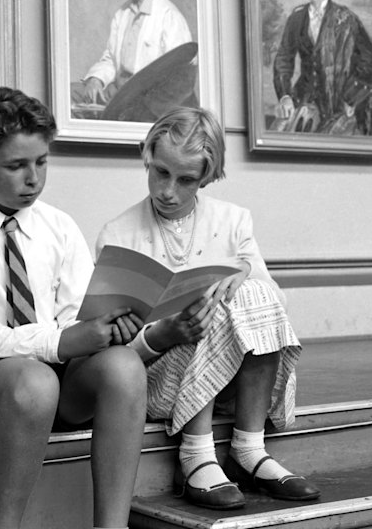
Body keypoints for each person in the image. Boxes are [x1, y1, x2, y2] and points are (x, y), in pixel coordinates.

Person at [0, 86, 147, 529]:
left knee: (123, 366)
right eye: (16, 166)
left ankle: (112, 526)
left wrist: (105, 328)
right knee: (35, 380)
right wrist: (61, 341)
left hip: (59, 367)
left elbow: (76, 311)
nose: (34, 178)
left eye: (42, 162)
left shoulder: (59, 226)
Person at [96, 106, 320, 510]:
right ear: (147, 157)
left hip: (230, 377)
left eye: (186, 180)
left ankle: (249, 447)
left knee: (251, 292)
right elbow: (113, 351)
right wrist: (161, 331)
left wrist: (245, 272)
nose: (168, 190)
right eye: (160, 172)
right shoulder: (119, 234)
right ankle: (196, 453)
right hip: (155, 380)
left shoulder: (233, 220)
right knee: (201, 308)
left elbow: (274, 307)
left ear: (207, 177)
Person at [272, 0, 372, 135]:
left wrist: (350, 98)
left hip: (336, 106)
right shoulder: (296, 19)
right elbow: (283, 59)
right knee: (278, 134)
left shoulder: (346, 19)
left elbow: (371, 61)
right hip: (303, 101)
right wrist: (285, 96)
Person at [74, 0, 193, 106]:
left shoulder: (169, 16)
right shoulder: (121, 14)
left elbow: (180, 74)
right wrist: (96, 80)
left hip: (146, 100)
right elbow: (110, 59)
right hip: (118, 92)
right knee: (71, 93)